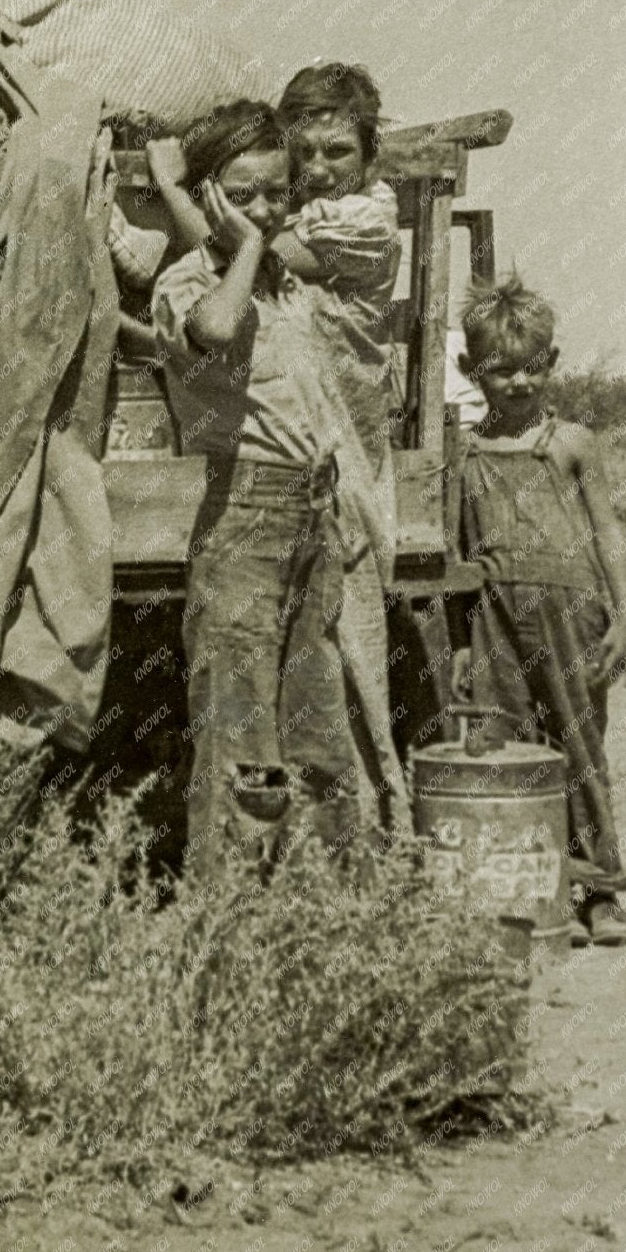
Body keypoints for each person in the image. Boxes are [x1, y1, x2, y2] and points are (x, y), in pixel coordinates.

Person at [150, 100, 355, 877]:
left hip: (312, 512)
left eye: (277, 192)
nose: (266, 210)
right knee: (240, 735)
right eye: (245, 195)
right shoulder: (191, 283)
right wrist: (234, 244)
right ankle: (233, 917)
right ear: (208, 198)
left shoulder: (282, 283)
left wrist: (247, 241)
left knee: (316, 726)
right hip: (244, 519)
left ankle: (323, 904)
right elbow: (214, 329)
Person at [457, 275, 626, 948]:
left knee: (580, 746)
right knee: (505, 745)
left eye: (532, 368)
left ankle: (602, 892)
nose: (517, 384)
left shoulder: (571, 443)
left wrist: (624, 614)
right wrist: (458, 641)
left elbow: (606, 531)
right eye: (500, 370)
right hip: (492, 619)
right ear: (467, 370)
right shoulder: (463, 454)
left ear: (552, 364)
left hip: (573, 616)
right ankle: (532, 890)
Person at [274, 64, 406, 833]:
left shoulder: (363, 222)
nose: (318, 170)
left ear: (369, 162)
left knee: (348, 655)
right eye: (304, 153)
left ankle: (375, 832)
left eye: (337, 152)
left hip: (347, 469)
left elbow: (244, 257)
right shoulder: (293, 213)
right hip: (296, 459)